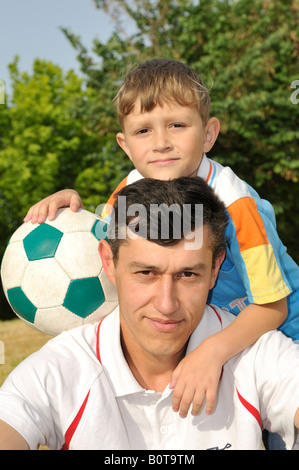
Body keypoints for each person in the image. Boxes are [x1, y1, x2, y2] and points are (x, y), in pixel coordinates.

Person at [23, 59, 299, 431]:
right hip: (210, 331)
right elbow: (113, 250)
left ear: (208, 134)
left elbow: (272, 306)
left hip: (280, 337)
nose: (161, 143)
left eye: (177, 125)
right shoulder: (129, 192)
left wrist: (210, 353)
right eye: (142, 131)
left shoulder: (236, 204)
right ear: (124, 143)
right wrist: (74, 209)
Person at [1, 177, 299, 450]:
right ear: (108, 261)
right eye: (146, 272)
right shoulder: (59, 370)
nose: (167, 304)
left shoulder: (255, 354)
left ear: (215, 268)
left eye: (188, 274)